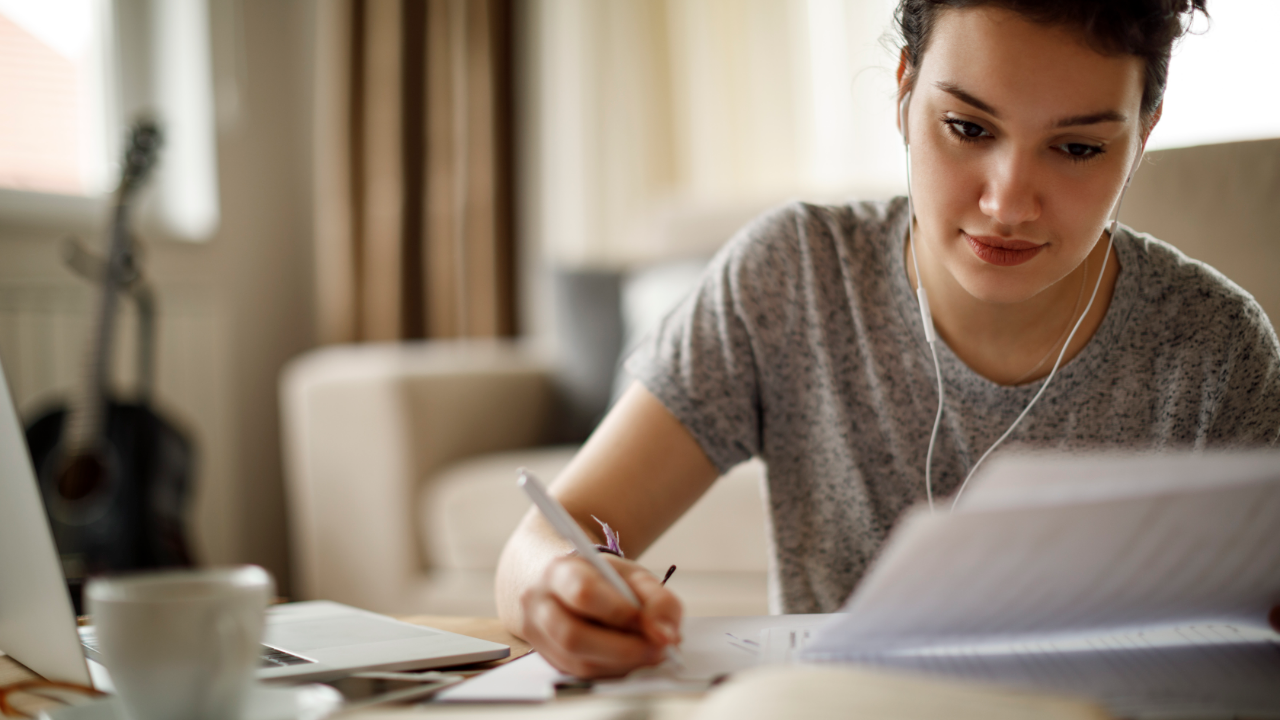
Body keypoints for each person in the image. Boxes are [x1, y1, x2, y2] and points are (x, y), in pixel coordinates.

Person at [496, 0, 1280, 679]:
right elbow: (546, 535)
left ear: (1145, 134)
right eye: (967, 127)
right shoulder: (794, 277)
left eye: (1077, 148)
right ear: (904, 92)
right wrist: (559, 584)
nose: (1007, 202)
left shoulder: (1217, 350)